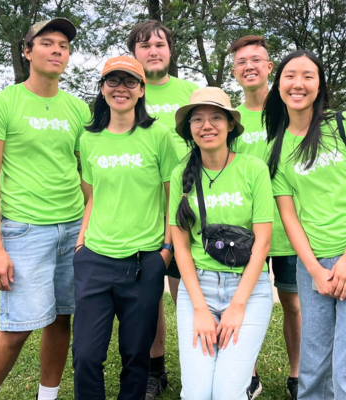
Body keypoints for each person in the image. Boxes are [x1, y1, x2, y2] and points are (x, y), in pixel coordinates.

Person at [0, 18, 91, 400]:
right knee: (17, 327)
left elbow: (87, 174)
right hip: (25, 231)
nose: (57, 50)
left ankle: (48, 396)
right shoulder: (2, 103)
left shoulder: (77, 109)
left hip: (72, 229)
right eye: (47, 43)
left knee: (61, 320)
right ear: (27, 52)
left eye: (64, 45)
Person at [263, 50, 346, 399]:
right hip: (313, 263)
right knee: (314, 365)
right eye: (289, 76)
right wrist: (315, 269)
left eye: (308, 76)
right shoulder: (276, 147)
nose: (298, 83)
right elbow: (288, 215)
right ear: (278, 84)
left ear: (319, 85)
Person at [71, 55, 179, 400]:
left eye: (130, 81)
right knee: (86, 355)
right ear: (102, 89)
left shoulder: (158, 135)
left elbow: (172, 199)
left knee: (136, 356)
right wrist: (80, 244)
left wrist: (164, 252)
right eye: (113, 81)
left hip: (143, 261)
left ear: (142, 89)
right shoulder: (89, 140)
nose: (121, 88)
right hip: (95, 259)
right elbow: (91, 197)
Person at [170, 87, 274, 399]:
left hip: (248, 291)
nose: (207, 125)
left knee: (227, 394)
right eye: (197, 119)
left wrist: (238, 305)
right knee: (197, 395)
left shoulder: (252, 169)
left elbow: (264, 242)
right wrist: (199, 308)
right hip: (197, 292)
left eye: (216, 117)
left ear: (230, 125)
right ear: (190, 128)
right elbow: (181, 246)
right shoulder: (180, 175)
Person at [127, 20, 199, 398]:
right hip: (145, 209)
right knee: (150, 292)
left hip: (192, 204)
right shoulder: (128, 93)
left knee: (185, 290)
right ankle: (156, 369)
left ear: (170, 50)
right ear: (134, 53)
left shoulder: (191, 92)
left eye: (160, 44)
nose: (153, 51)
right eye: (144, 46)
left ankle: (196, 366)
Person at [229, 35, 301, 400]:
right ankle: (249, 374)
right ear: (234, 71)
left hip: (291, 230)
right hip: (245, 233)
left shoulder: (291, 111)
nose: (249, 66)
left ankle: (297, 374)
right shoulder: (230, 120)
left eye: (256, 60)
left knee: (293, 303)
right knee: (243, 301)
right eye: (242, 62)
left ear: (270, 67)